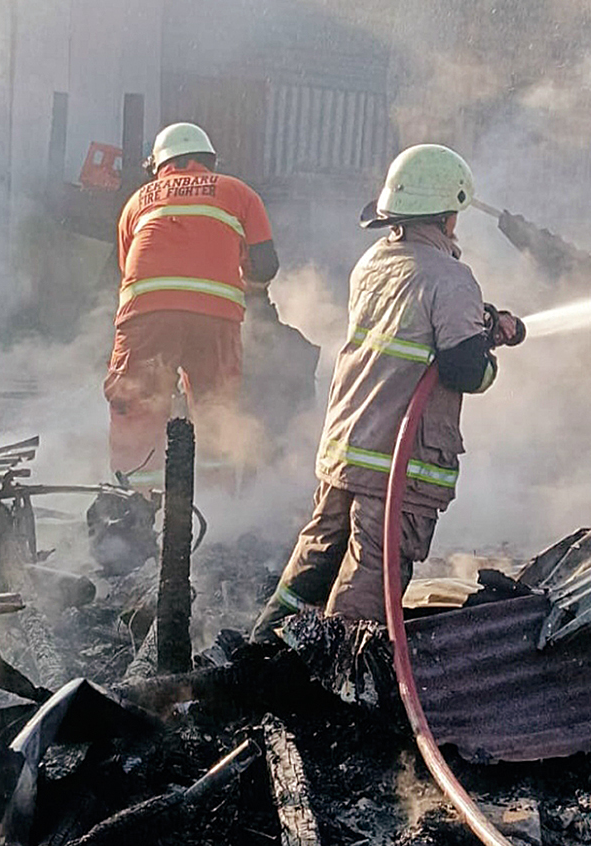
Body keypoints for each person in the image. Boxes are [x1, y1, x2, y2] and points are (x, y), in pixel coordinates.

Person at [251, 143, 524, 640]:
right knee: (369, 582)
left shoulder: (373, 263)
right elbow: (466, 372)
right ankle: (327, 683)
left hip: (346, 447)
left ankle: (259, 649)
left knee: (316, 556)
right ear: (445, 217)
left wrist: (477, 326)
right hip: (398, 460)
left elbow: (413, 335)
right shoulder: (452, 278)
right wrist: (489, 356)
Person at [103, 122, 279, 488]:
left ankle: (132, 506)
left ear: (160, 165)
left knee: (136, 406)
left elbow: (128, 269)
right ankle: (215, 506)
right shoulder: (239, 192)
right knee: (217, 410)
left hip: (148, 317)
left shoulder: (138, 201)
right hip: (216, 321)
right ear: (209, 161)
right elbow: (266, 266)